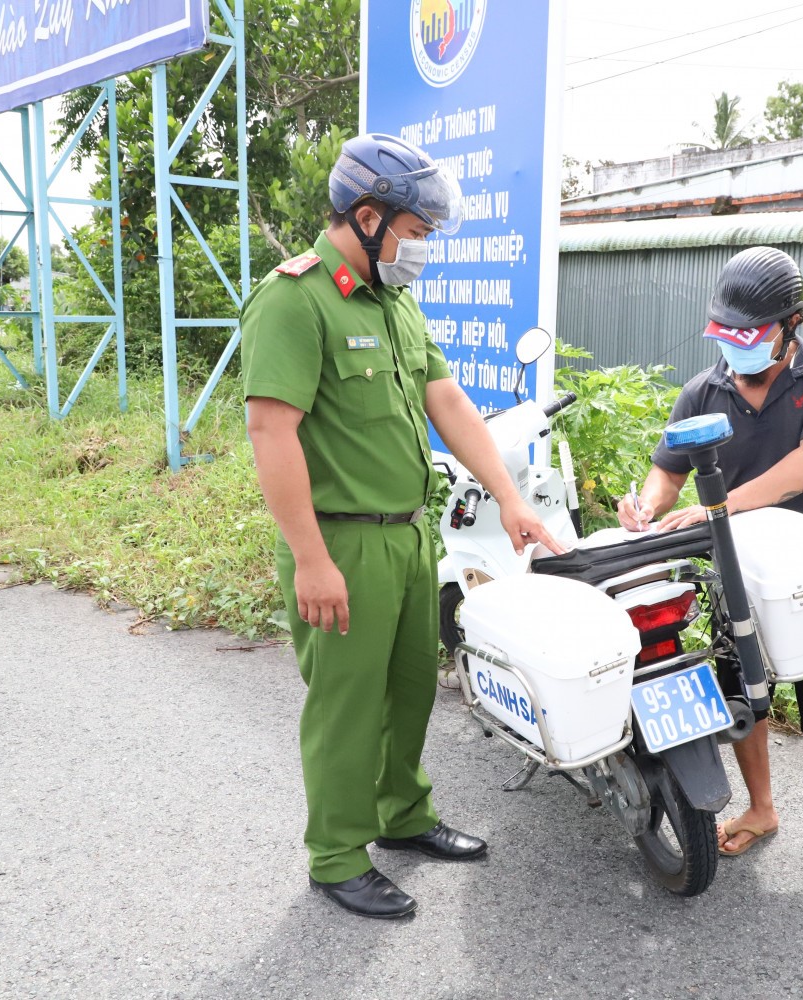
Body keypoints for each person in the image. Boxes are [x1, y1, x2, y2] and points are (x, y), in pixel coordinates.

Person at [240, 133, 563, 920]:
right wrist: (310, 560)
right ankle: (337, 855)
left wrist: (509, 498)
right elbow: (270, 433)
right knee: (348, 705)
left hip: (414, 534)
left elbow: (446, 402)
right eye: (416, 234)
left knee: (413, 686)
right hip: (341, 542)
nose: (421, 250)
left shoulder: (393, 302)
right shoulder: (295, 299)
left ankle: (402, 815)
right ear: (369, 215)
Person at [618, 246, 803, 891]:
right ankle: (761, 808)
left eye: (750, 335)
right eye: (726, 334)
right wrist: (647, 506)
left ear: (792, 323)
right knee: (744, 701)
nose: (736, 347)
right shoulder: (702, 391)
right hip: (735, 580)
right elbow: (666, 472)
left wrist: (719, 508)